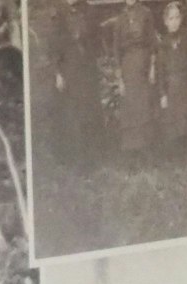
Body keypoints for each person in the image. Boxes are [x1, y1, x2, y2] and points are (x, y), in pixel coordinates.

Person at [47, 0, 102, 163]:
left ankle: (94, 156)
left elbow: (95, 39)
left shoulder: (89, 11)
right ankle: (76, 159)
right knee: (73, 115)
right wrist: (57, 73)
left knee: (90, 112)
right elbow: (53, 48)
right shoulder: (58, 14)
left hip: (87, 70)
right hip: (69, 72)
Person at [113, 0, 156, 158]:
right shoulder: (120, 19)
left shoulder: (146, 13)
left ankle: (147, 150)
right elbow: (116, 49)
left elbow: (152, 42)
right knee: (130, 107)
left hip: (143, 64)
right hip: (128, 66)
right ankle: (132, 153)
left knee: (144, 105)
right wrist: (120, 78)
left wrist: (152, 67)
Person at [157, 1, 187, 155]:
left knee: (186, 117)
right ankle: (175, 154)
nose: (174, 22)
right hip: (171, 85)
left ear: (181, 19)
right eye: (171, 19)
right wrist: (162, 94)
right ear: (166, 22)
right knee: (172, 121)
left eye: (177, 18)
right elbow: (160, 71)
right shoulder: (163, 44)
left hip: (185, 83)